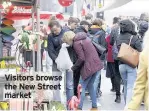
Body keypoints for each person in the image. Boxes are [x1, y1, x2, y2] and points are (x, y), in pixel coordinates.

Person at [62, 31, 103, 110]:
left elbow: (81, 58)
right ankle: (94, 106)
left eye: (67, 42)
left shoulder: (76, 43)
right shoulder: (85, 38)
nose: (68, 44)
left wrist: (73, 68)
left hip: (89, 67)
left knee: (81, 87)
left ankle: (79, 107)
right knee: (90, 86)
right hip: (96, 65)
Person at [47, 20, 74, 107]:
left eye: (55, 30)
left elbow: (72, 46)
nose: (54, 32)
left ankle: (69, 103)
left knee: (69, 84)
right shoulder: (50, 36)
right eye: (52, 31)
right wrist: (57, 60)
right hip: (56, 62)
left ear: (59, 26)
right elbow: (50, 50)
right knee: (55, 83)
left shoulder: (67, 32)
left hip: (69, 61)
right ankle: (57, 104)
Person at [116, 19, 142, 105]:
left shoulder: (118, 37)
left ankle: (126, 104)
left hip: (121, 64)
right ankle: (128, 106)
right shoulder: (134, 37)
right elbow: (140, 50)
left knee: (126, 85)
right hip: (131, 64)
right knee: (131, 87)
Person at [125, 30, 149, 111]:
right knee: (129, 85)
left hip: (122, 62)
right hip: (131, 64)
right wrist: (132, 107)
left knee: (127, 85)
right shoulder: (146, 54)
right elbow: (140, 84)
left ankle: (125, 101)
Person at [89, 18, 107, 98]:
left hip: (89, 57)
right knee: (96, 77)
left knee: (91, 76)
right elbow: (103, 46)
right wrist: (102, 58)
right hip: (99, 57)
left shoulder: (88, 31)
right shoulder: (102, 32)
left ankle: (91, 92)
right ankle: (94, 94)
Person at [110, 17, 121, 103]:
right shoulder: (133, 32)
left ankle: (118, 96)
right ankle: (126, 92)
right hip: (128, 56)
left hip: (117, 55)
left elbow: (111, 42)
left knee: (117, 74)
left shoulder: (114, 29)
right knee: (128, 75)